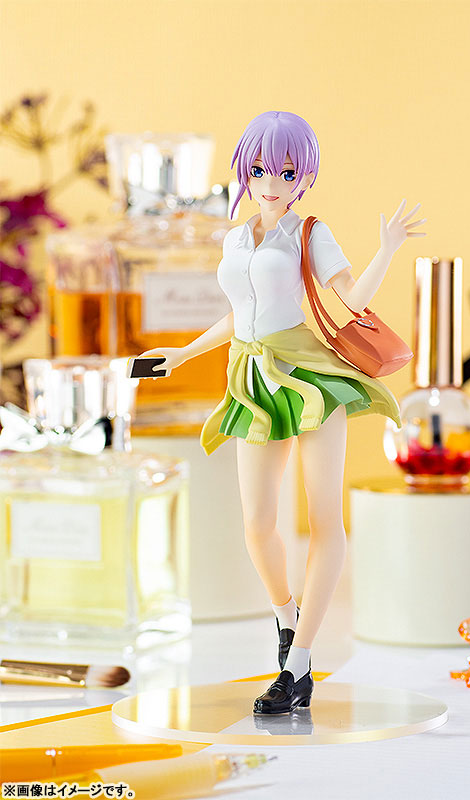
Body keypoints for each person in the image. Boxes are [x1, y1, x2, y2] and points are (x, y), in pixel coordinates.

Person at [136, 110, 426, 714]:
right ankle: (286, 617)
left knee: (323, 519)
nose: (272, 183)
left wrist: (387, 249)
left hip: (310, 377)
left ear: (305, 177)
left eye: (287, 172)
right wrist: (183, 353)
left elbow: (351, 299)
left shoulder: (309, 233)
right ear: (246, 170)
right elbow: (239, 313)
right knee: (257, 522)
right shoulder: (236, 237)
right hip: (253, 379)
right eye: (262, 170)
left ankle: (298, 665)